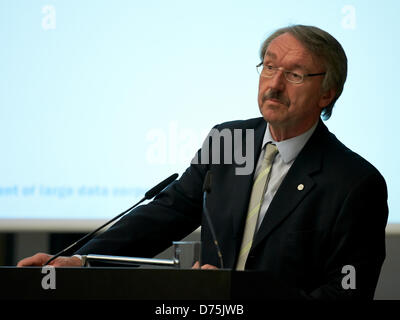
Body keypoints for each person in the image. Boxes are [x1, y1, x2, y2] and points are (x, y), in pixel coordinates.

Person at [18, 25, 388, 300]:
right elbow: (166, 214)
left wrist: (240, 295)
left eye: (293, 75)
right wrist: (83, 263)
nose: (274, 85)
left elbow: (347, 292)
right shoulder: (231, 140)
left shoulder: (355, 183)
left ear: (327, 92)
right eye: (269, 67)